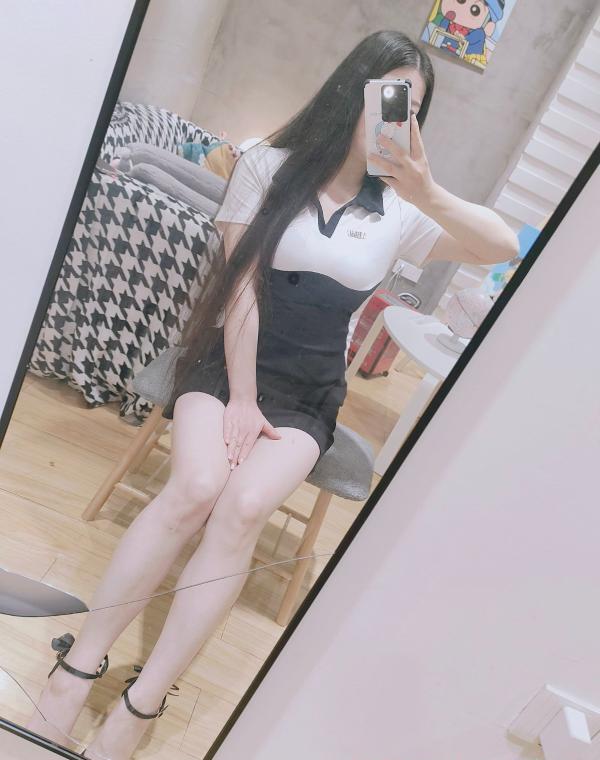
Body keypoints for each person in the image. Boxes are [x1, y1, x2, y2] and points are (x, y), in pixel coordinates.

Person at [27, 29, 518, 760]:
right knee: (196, 487)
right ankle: (77, 669)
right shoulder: (266, 165)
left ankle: (144, 700)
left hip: (311, 390)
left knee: (246, 507)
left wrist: (425, 189)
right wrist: (244, 398)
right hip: (231, 365)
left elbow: (502, 246)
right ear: (349, 91)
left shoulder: (402, 213)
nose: (394, 117)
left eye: (410, 109)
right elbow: (242, 286)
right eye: (385, 98)